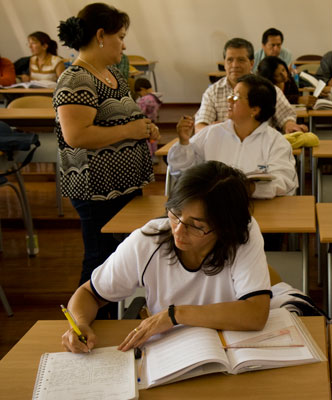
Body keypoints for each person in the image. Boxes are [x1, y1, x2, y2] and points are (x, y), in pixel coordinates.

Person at [61, 161, 271, 353]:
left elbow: (256, 314)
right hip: (170, 351)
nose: (178, 230)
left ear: (225, 228)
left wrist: (175, 315)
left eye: (196, 226)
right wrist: (80, 323)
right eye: (175, 214)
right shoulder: (148, 240)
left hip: (232, 348)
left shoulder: (242, 233)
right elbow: (89, 293)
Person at [56, 3, 158, 297]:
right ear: (101, 35)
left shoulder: (110, 74)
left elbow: (122, 119)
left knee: (120, 261)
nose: (124, 45)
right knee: (99, 261)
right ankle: (82, 319)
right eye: (120, 37)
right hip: (97, 190)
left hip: (122, 186)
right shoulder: (77, 78)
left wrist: (144, 127)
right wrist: (130, 131)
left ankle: (113, 316)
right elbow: (76, 135)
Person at [169, 74, 298, 199]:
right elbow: (182, 173)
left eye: (236, 97)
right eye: (231, 94)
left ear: (255, 110)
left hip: (258, 207)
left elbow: (285, 182)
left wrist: (251, 188)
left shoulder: (276, 142)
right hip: (213, 207)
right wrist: (184, 143)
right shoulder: (212, 133)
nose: (229, 100)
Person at [193, 38, 307, 134]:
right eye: (230, 60)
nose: (235, 65)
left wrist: (289, 125)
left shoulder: (266, 88)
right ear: (225, 64)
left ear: (251, 63)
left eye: (241, 60)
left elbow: (286, 116)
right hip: (223, 148)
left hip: (261, 148)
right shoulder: (213, 92)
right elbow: (200, 126)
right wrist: (210, 129)